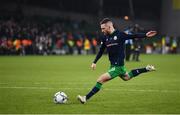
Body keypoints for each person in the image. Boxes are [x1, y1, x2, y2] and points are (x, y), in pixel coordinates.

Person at [77, 18, 157, 104]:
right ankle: (146, 68)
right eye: (101, 28)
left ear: (109, 26)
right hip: (114, 65)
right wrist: (94, 62)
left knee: (100, 80)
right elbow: (101, 51)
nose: (102, 30)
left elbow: (133, 35)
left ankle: (85, 98)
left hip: (117, 66)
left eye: (103, 28)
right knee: (127, 77)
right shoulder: (105, 38)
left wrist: (145, 35)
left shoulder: (120, 35)